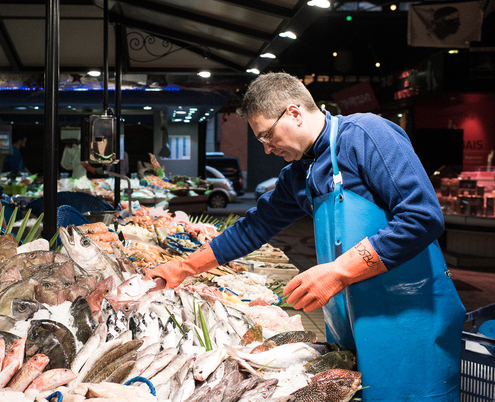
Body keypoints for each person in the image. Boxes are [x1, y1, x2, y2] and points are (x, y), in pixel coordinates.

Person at [148, 72, 465, 401]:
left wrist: (339, 271)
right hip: (352, 321)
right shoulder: (299, 173)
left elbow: (423, 216)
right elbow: (253, 228)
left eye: (267, 136)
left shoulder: (366, 135)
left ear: (294, 113)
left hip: (412, 317)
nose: (268, 149)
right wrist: (183, 268)